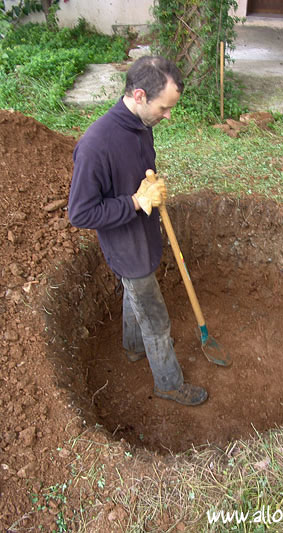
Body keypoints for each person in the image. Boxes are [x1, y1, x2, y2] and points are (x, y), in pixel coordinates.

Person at [68, 56, 208, 406]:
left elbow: (141, 173)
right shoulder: (96, 145)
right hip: (127, 249)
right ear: (141, 95)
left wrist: (151, 189)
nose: (168, 115)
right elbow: (81, 212)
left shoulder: (142, 126)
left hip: (143, 238)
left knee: (136, 297)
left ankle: (133, 348)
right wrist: (135, 202)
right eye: (164, 108)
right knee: (156, 319)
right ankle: (169, 383)